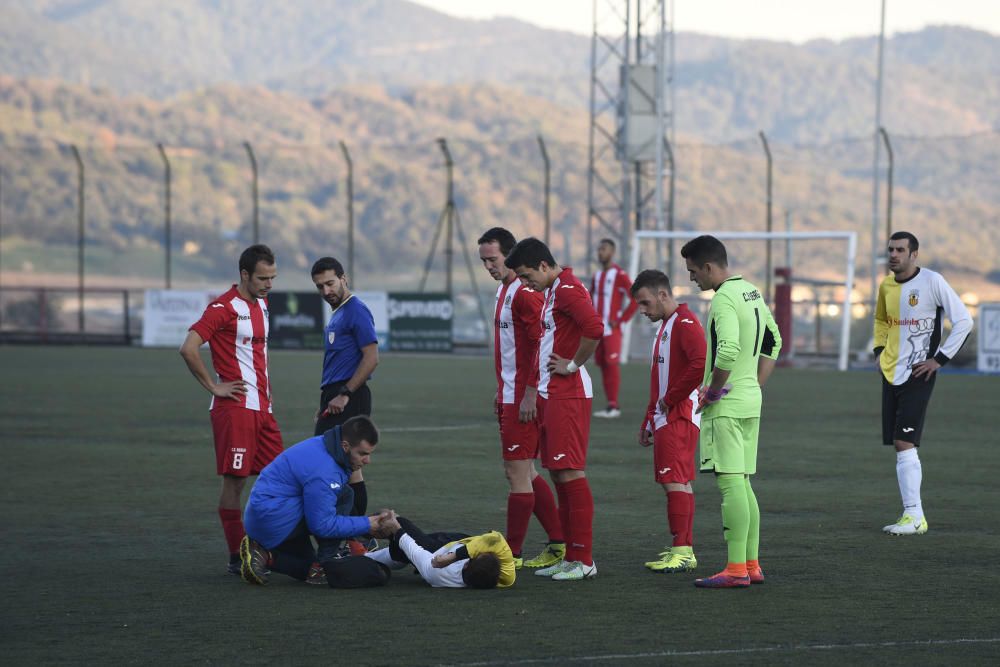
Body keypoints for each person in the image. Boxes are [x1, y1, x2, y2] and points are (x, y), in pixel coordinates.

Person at [681, 235, 781, 589]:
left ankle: (736, 569)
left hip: (727, 404)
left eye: (694, 271)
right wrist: (754, 383)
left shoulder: (723, 299)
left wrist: (711, 391)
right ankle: (751, 565)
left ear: (709, 267)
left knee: (729, 484)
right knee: (742, 482)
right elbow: (774, 340)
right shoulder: (751, 291)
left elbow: (726, 352)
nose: (692, 278)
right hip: (750, 400)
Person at [179, 244, 284, 575]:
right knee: (235, 484)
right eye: (263, 278)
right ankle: (237, 556)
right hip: (235, 410)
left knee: (282, 479)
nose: (269, 284)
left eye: (272, 278)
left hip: (263, 411)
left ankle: (272, 549)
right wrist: (213, 386)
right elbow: (188, 347)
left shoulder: (262, 305)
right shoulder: (222, 307)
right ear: (244, 275)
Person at [505, 237, 605, 581]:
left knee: (571, 473)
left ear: (544, 266)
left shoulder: (567, 290)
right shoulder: (554, 290)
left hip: (569, 393)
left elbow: (595, 328)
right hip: (552, 393)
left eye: (526, 274)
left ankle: (584, 559)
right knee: (559, 475)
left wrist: (573, 365)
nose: (523, 282)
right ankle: (572, 555)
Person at [477, 227, 565, 570]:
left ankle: (510, 555)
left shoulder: (524, 294)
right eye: (483, 261)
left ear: (510, 256)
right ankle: (558, 543)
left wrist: (528, 393)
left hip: (522, 398)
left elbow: (542, 345)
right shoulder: (505, 291)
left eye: (493, 259)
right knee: (524, 470)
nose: (488, 266)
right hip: (510, 394)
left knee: (517, 473)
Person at [874, 231, 972, 536]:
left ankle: (915, 516)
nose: (893, 255)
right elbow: (880, 322)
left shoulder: (932, 282)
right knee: (898, 444)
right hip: (891, 372)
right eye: (890, 249)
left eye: (900, 250)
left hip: (920, 372)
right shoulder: (886, 286)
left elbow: (964, 321)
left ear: (914, 254)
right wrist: (880, 352)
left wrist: (938, 360)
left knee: (905, 441)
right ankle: (912, 516)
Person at [240, 415, 392, 586]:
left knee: (309, 568)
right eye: (363, 454)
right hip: (275, 518)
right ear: (345, 446)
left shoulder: (326, 443)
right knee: (344, 495)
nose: (367, 461)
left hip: (267, 516)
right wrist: (367, 524)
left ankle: (263, 555)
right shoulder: (325, 472)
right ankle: (325, 562)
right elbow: (321, 525)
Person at [631, 270, 706, 573]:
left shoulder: (685, 324)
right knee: (677, 481)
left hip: (679, 415)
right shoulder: (667, 325)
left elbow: (700, 363)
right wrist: (649, 419)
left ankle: (683, 550)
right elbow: (659, 380)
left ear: (663, 295)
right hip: (666, 415)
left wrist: (670, 400)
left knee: (674, 480)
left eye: (646, 303)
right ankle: (682, 548)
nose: (643, 310)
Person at [311, 256, 380, 554]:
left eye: (330, 283)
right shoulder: (337, 313)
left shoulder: (356, 310)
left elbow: (371, 357)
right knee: (341, 468)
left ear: (344, 278)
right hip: (335, 397)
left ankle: (353, 537)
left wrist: (345, 394)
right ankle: (355, 537)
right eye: (319, 286)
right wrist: (325, 401)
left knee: (344, 467)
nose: (326, 290)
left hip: (349, 397)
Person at [365, 514, 516, 589]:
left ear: (465, 565)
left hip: (438, 549)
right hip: (458, 544)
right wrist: (454, 556)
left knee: (397, 523)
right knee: (399, 554)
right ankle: (365, 555)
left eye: (476, 555)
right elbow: (494, 540)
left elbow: (414, 551)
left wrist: (396, 528)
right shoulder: (506, 576)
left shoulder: (438, 571)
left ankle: (353, 533)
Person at [590, 238, 638, 419]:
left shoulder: (619, 274)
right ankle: (610, 405)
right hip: (597, 329)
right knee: (602, 365)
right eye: (599, 249)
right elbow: (589, 297)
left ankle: (614, 406)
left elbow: (635, 298)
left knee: (611, 365)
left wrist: (620, 319)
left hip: (612, 330)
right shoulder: (597, 276)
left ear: (612, 252)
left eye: (603, 249)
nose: (600, 252)